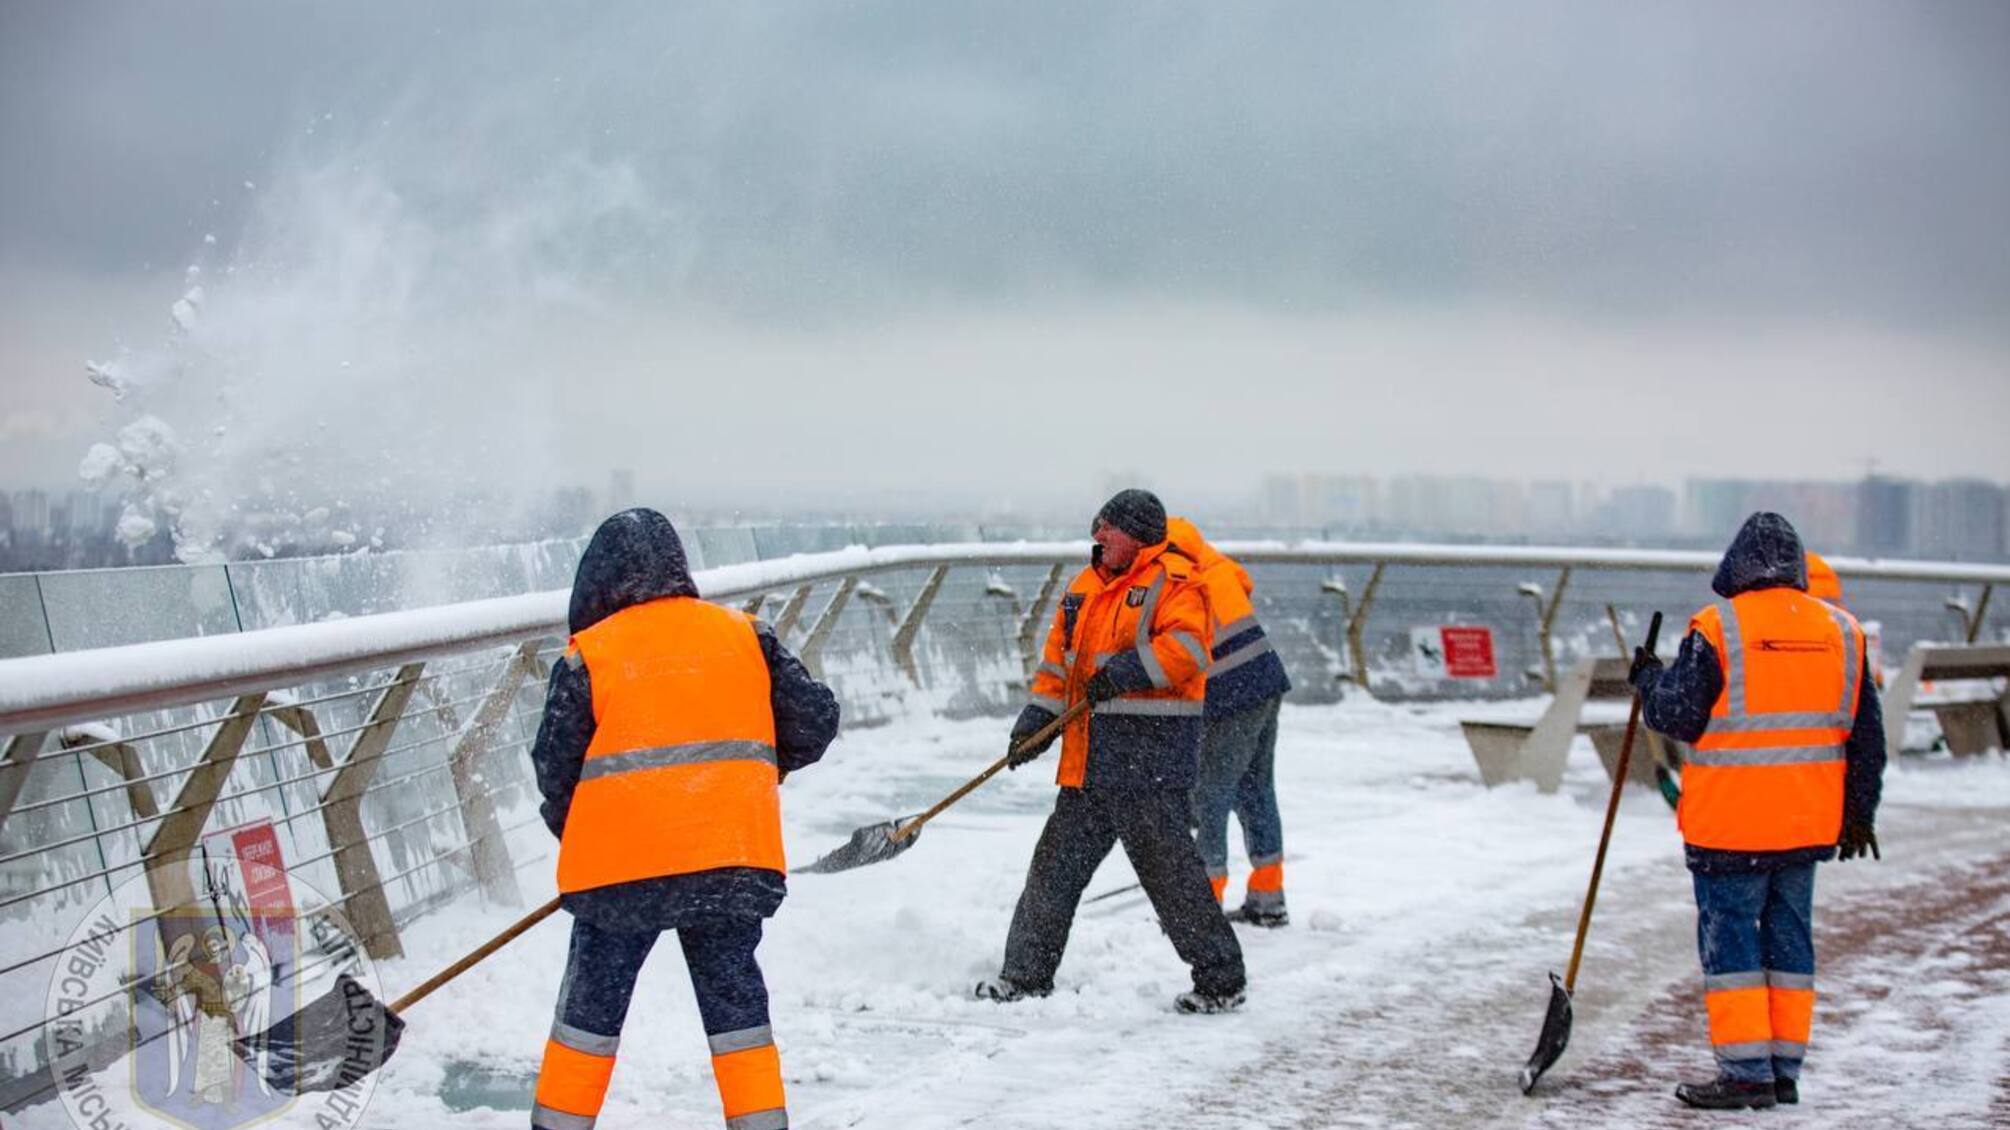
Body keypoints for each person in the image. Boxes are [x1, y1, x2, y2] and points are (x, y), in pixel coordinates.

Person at [529, 509, 840, 1130]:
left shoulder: (592, 654)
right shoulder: (745, 636)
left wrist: (585, 832)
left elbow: (554, 766)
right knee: (737, 1014)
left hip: (619, 872)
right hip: (730, 857)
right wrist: (746, 776)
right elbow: (814, 721)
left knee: (589, 1015)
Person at [1630, 512, 1885, 1111]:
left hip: (1731, 825)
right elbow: (1867, 738)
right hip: (1805, 823)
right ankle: (1783, 1070)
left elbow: (1678, 716)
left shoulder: (1718, 628)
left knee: (1734, 948)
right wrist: (1859, 812)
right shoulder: (1844, 632)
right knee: (1789, 941)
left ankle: (1746, 1074)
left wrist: (1649, 681)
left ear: (1736, 566)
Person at [974, 489, 1248, 1013]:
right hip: (1089, 764)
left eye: (1109, 527)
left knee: (1172, 880)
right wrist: (1037, 719)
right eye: (1097, 524)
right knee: (1052, 872)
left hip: (1149, 765)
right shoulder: (1083, 588)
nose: (1097, 535)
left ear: (1138, 535)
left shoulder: (1176, 581)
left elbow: (1189, 650)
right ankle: (1025, 977)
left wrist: (1127, 671)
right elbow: (1058, 668)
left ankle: (1221, 981)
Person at [1164, 516, 1294, 926]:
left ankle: (1203, 904)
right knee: (1257, 789)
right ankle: (1268, 896)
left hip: (1230, 694)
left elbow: (1175, 652)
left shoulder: (1175, 576)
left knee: (1210, 795)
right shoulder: (1215, 564)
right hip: (1266, 680)